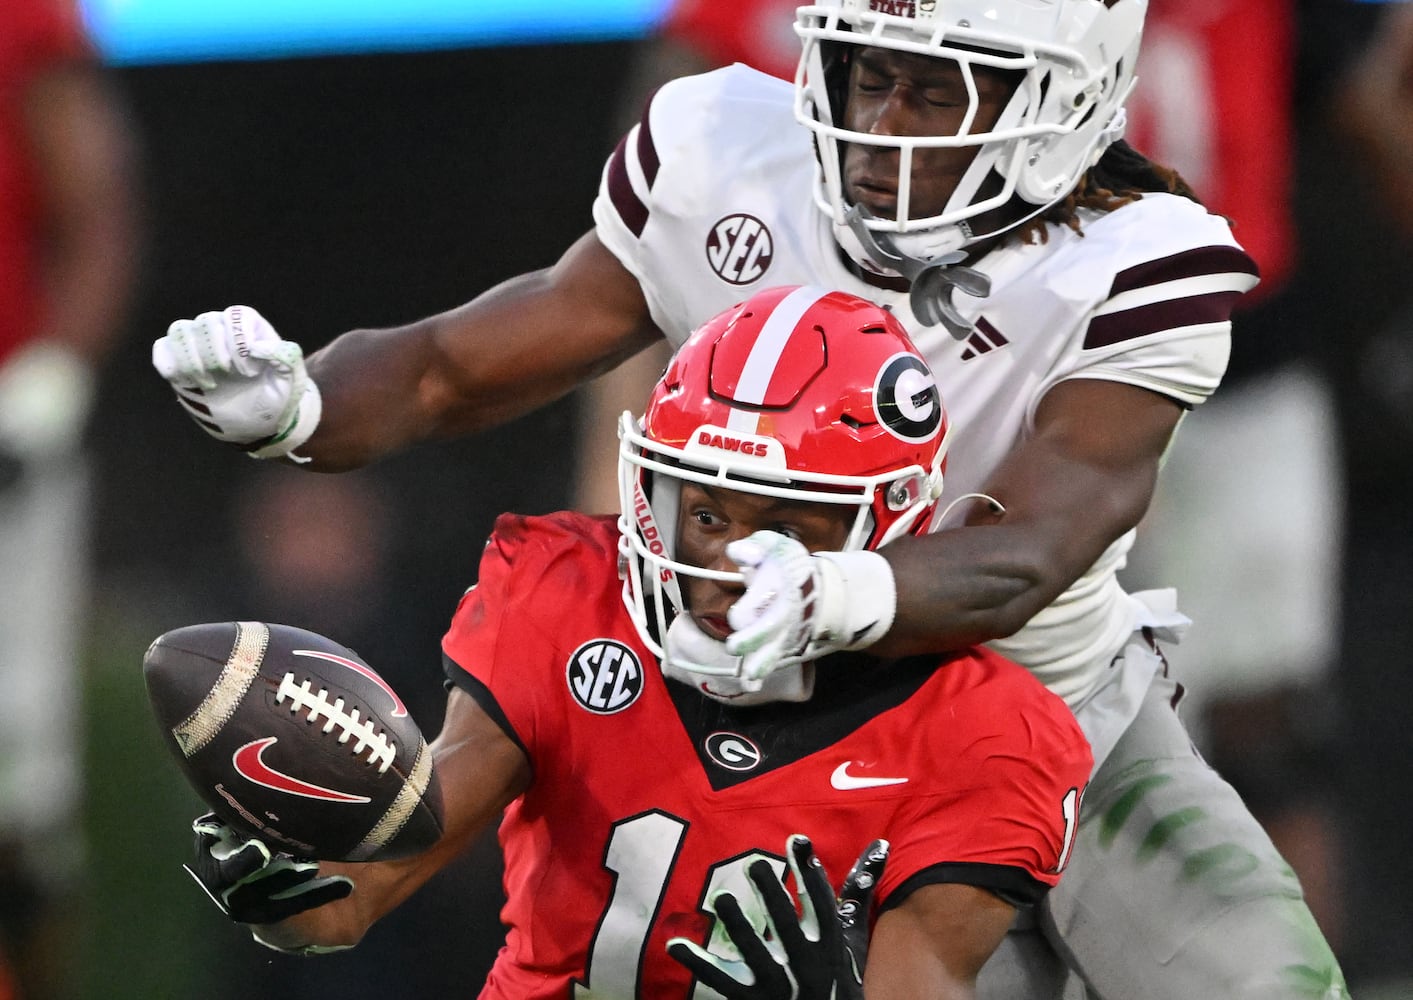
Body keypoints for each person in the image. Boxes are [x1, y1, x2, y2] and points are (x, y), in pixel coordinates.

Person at [150, 0, 1349, 995]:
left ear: (1068, 97)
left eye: (937, 92)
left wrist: (837, 588)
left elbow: (1033, 542)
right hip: (770, 718)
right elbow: (455, 361)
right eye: (868, 74)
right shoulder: (731, 153)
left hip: (1046, 708)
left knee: (1262, 979)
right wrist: (305, 405)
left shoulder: (1134, 258)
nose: (882, 126)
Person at [182, 286, 1093, 999]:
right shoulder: (569, 594)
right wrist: (292, 884)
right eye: (704, 512)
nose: (732, 561)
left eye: (788, 526)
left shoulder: (986, 735)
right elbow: (357, 896)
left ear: (889, 527)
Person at [0, 0, 139, 997]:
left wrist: (51, 381)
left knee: (21, 799)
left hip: (6, 443)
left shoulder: (27, 20)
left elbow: (100, 209)